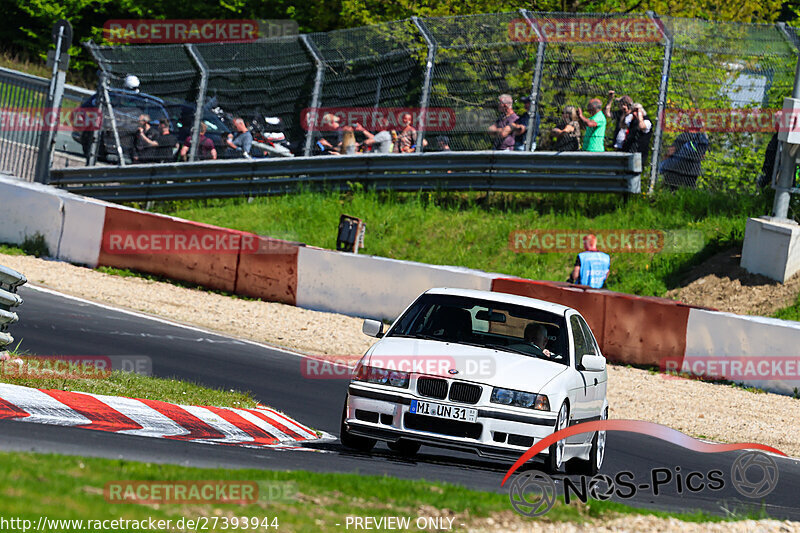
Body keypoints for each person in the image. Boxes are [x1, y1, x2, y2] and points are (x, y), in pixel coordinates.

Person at [658, 124, 709, 190]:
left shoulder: (684, 135)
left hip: (676, 169)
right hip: (693, 171)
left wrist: (664, 159)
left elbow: (671, 150)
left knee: (671, 189)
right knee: (688, 190)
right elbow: (703, 155)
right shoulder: (702, 139)